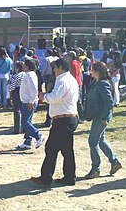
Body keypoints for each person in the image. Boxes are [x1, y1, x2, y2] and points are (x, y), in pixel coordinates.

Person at [31, 58, 79, 187]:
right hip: (68, 118)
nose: (53, 70)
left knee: (51, 148)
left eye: (55, 67)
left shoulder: (63, 80)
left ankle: (46, 177)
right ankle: (69, 177)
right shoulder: (70, 79)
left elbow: (55, 97)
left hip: (63, 120)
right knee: (67, 150)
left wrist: (44, 97)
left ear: (61, 68)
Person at [83, 61, 123, 178]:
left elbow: (109, 102)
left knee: (93, 141)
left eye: (92, 70)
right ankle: (115, 162)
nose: (90, 72)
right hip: (98, 116)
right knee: (100, 140)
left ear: (96, 72)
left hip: (101, 117)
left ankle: (96, 169)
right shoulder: (96, 82)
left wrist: (104, 117)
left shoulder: (102, 84)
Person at [17, 58, 44, 150]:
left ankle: (38, 135)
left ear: (27, 66)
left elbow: (33, 89)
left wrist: (31, 101)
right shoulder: (29, 74)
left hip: (29, 102)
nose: (23, 66)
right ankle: (27, 141)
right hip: (27, 101)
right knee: (28, 121)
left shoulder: (30, 75)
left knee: (25, 122)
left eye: (24, 65)